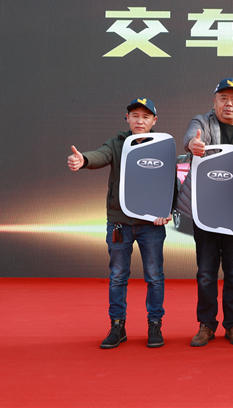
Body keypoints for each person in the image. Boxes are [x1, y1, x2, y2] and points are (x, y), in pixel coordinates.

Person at [67, 98, 171, 349]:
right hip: (119, 223)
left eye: (145, 116)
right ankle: (117, 326)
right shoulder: (116, 144)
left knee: (155, 277)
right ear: (127, 118)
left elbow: (171, 183)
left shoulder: (163, 146)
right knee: (117, 277)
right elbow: (100, 156)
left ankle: (154, 324)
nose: (139, 121)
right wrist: (84, 160)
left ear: (154, 120)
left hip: (152, 224)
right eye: (135, 115)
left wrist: (167, 211)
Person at [175, 78, 233, 347]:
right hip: (206, 212)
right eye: (223, 98)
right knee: (206, 272)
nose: (229, 104)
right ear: (214, 101)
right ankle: (206, 325)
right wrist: (193, 145)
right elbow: (191, 138)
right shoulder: (202, 122)